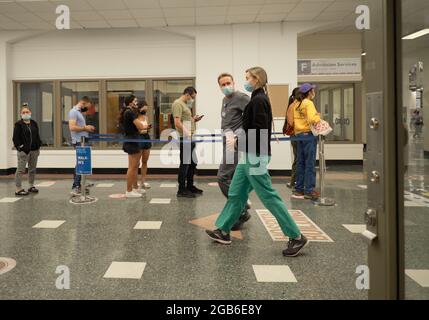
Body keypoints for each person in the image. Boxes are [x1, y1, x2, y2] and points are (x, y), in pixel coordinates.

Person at [206, 67, 308, 257]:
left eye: (248, 78)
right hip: (247, 155)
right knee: (236, 193)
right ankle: (223, 230)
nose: (245, 81)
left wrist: (237, 141)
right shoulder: (255, 98)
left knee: (268, 196)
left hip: (255, 156)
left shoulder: (259, 100)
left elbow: (259, 132)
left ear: (257, 79)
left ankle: (296, 236)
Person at [217, 73, 252, 230]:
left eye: (228, 83)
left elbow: (251, 117)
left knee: (223, 177)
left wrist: (240, 136)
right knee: (232, 178)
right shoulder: (225, 100)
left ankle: (242, 209)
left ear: (233, 82)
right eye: (222, 84)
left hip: (236, 143)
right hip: (228, 142)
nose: (226, 86)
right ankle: (241, 207)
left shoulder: (241, 97)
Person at [172, 87, 204, 198]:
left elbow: (185, 120)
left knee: (193, 163)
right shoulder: (178, 104)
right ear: (187, 94)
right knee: (185, 164)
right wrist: (186, 132)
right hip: (184, 139)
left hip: (190, 138)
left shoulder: (185, 104)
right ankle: (181, 190)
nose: (193, 100)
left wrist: (193, 119)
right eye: (192, 97)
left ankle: (190, 186)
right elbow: (177, 122)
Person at [291, 83, 321, 201]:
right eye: (312, 90)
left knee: (300, 162)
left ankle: (299, 189)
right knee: (309, 163)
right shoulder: (308, 103)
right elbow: (312, 119)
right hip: (308, 135)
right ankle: (309, 190)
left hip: (299, 135)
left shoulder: (297, 104)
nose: (313, 92)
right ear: (309, 92)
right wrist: (318, 116)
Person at [119, 95, 148, 198]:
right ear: (130, 102)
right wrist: (145, 126)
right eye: (135, 101)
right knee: (132, 167)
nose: (137, 102)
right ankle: (129, 190)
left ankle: (134, 188)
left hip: (134, 139)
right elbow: (140, 126)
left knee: (135, 166)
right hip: (131, 141)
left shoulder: (130, 112)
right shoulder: (129, 112)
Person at [13, 104, 42, 196]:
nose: (25, 114)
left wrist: (38, 146)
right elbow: (15, 138)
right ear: (21, 114)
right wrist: (20, 148)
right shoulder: (18, 124)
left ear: (30, 113)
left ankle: (31, 186)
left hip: (34, 150)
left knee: (32, 169)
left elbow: (37, 136)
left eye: (27, 112)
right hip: (24, 151)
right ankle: (18, 189)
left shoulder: (34, 123)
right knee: (20, 170)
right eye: (23, 112)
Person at [68, 96, 95, 196]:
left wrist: (87, 128)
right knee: (80, 163)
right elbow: (72, 127)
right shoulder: (73, 112)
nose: (88, 109)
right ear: (83, 103)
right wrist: (85, 128)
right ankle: (75, 186)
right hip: (79, 141)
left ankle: (80, 183)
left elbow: (80, 127)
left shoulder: (79, 113)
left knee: (82, 162)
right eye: (88, 106)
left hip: (83, 140)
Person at [283, 87, 300, 190]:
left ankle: (295, 181)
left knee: (299, 159)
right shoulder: (292, 106)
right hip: (296, 136)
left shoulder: (300, 105)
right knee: (298, 159)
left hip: (300, 136)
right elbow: (291, 123)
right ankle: (293, 181)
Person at [134, 101, 152, 191]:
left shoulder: (146, 117)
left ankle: (143, 181)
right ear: (139, 108)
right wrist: (143, 130)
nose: (146, 110)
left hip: (146, 137)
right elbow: (136, 130)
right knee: (136, 163)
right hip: (139, 137)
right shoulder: (135, 118)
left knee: (145, 161)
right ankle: (135, 182)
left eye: (147, 108)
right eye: (144, 108)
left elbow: (146, 130)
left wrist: (147, 129)